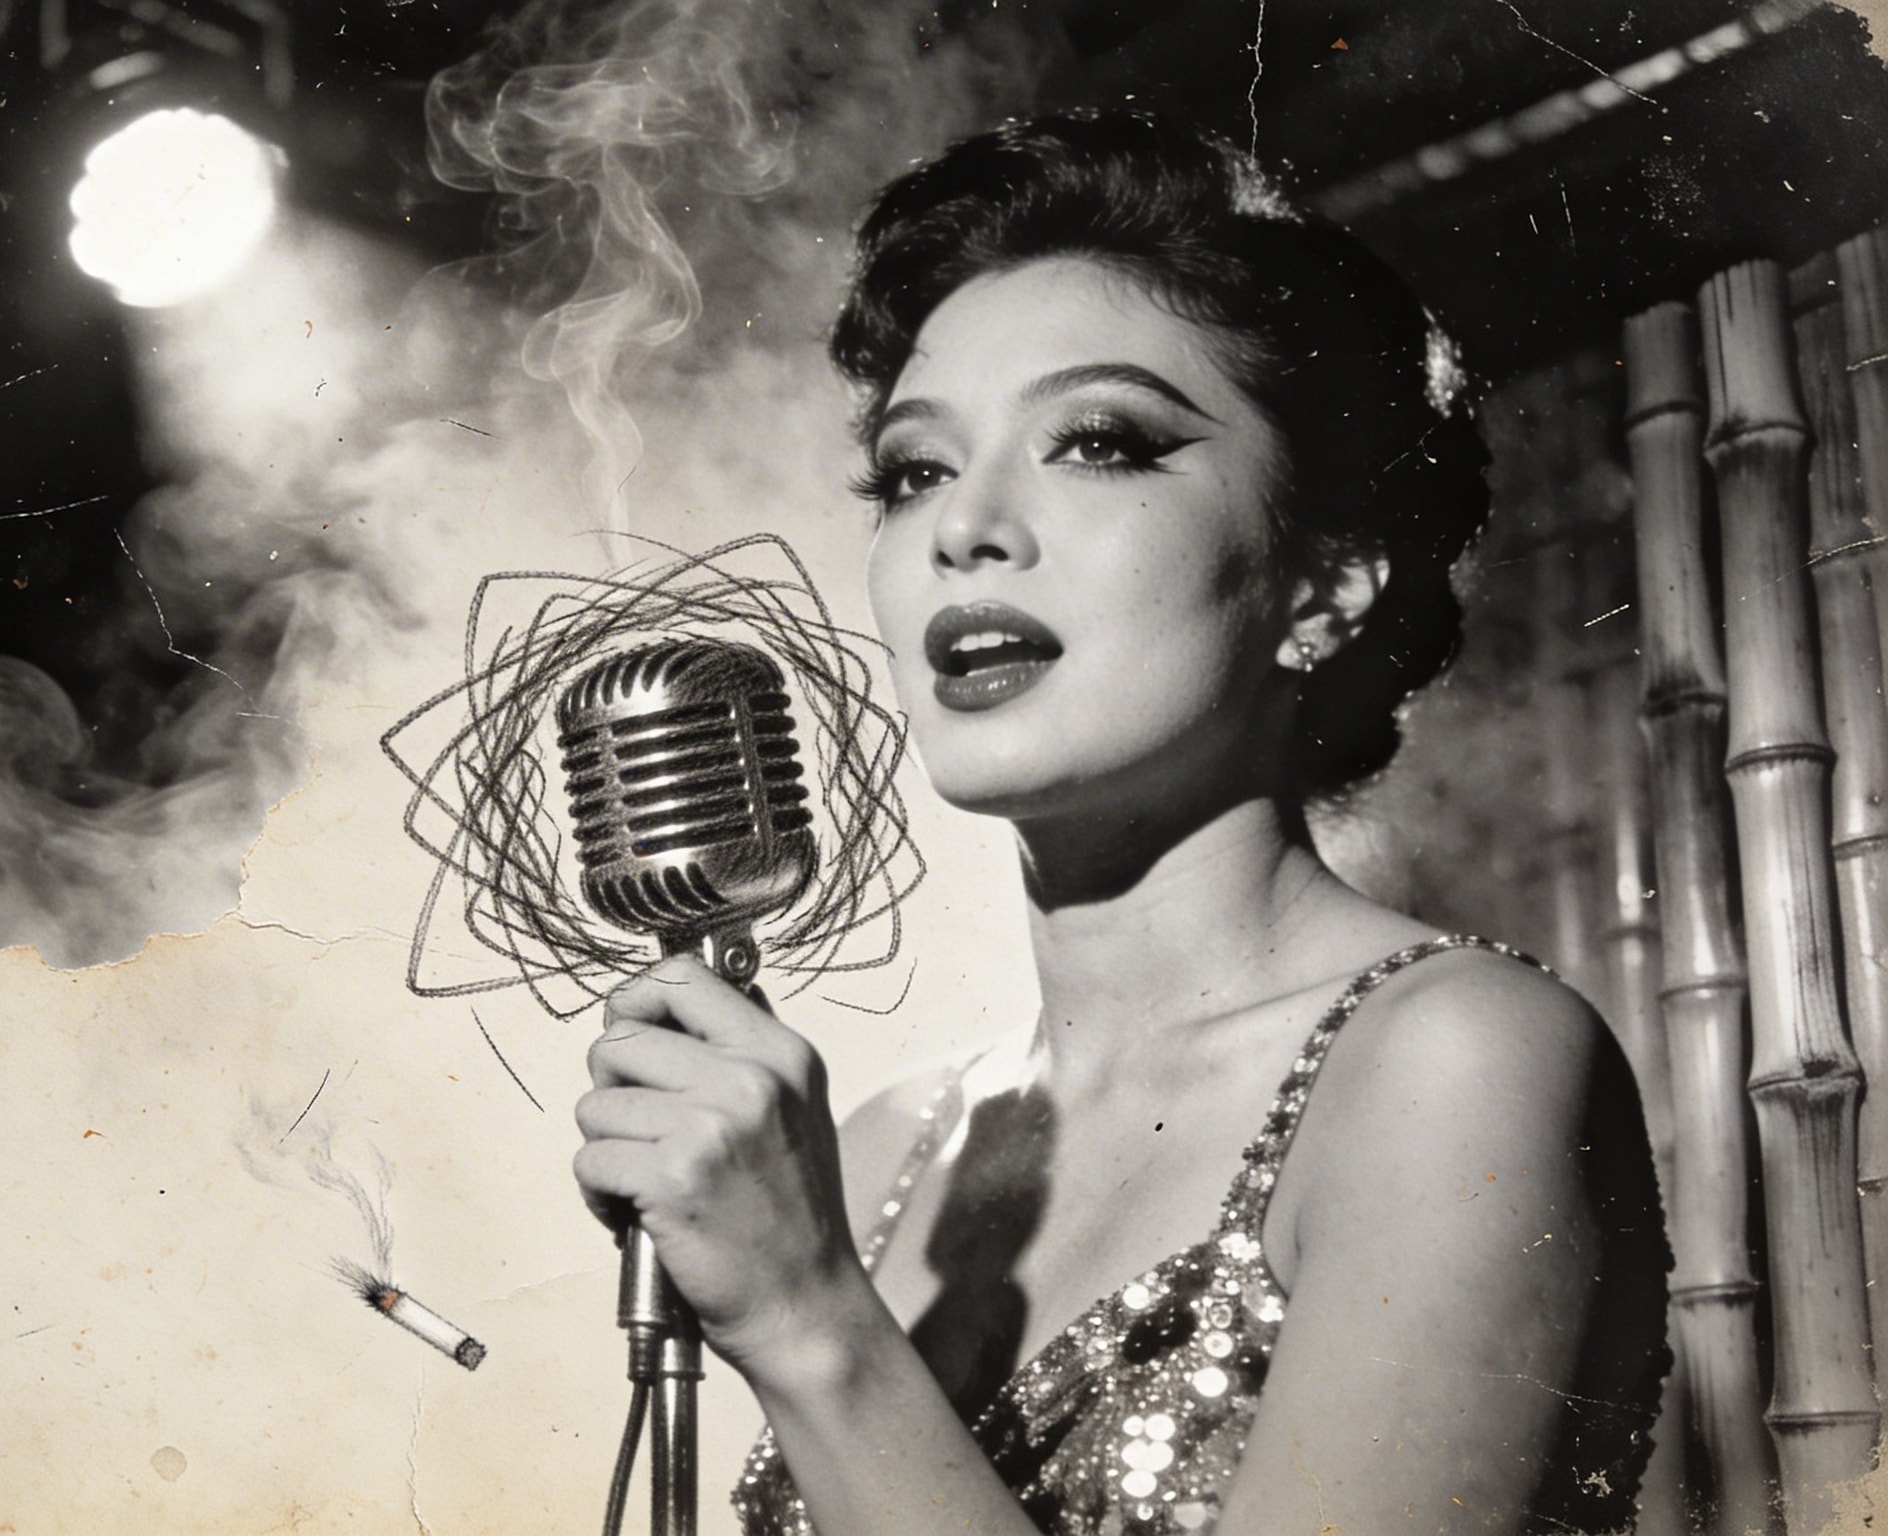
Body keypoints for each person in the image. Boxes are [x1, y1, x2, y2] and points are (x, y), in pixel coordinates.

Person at [572, 109, 1670, 1536]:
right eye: (914, 470)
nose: (966, 528)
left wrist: (809, 1327)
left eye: (1098, 442)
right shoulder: (888, 1145)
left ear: (1325, 584)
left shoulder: (1453, 1061)